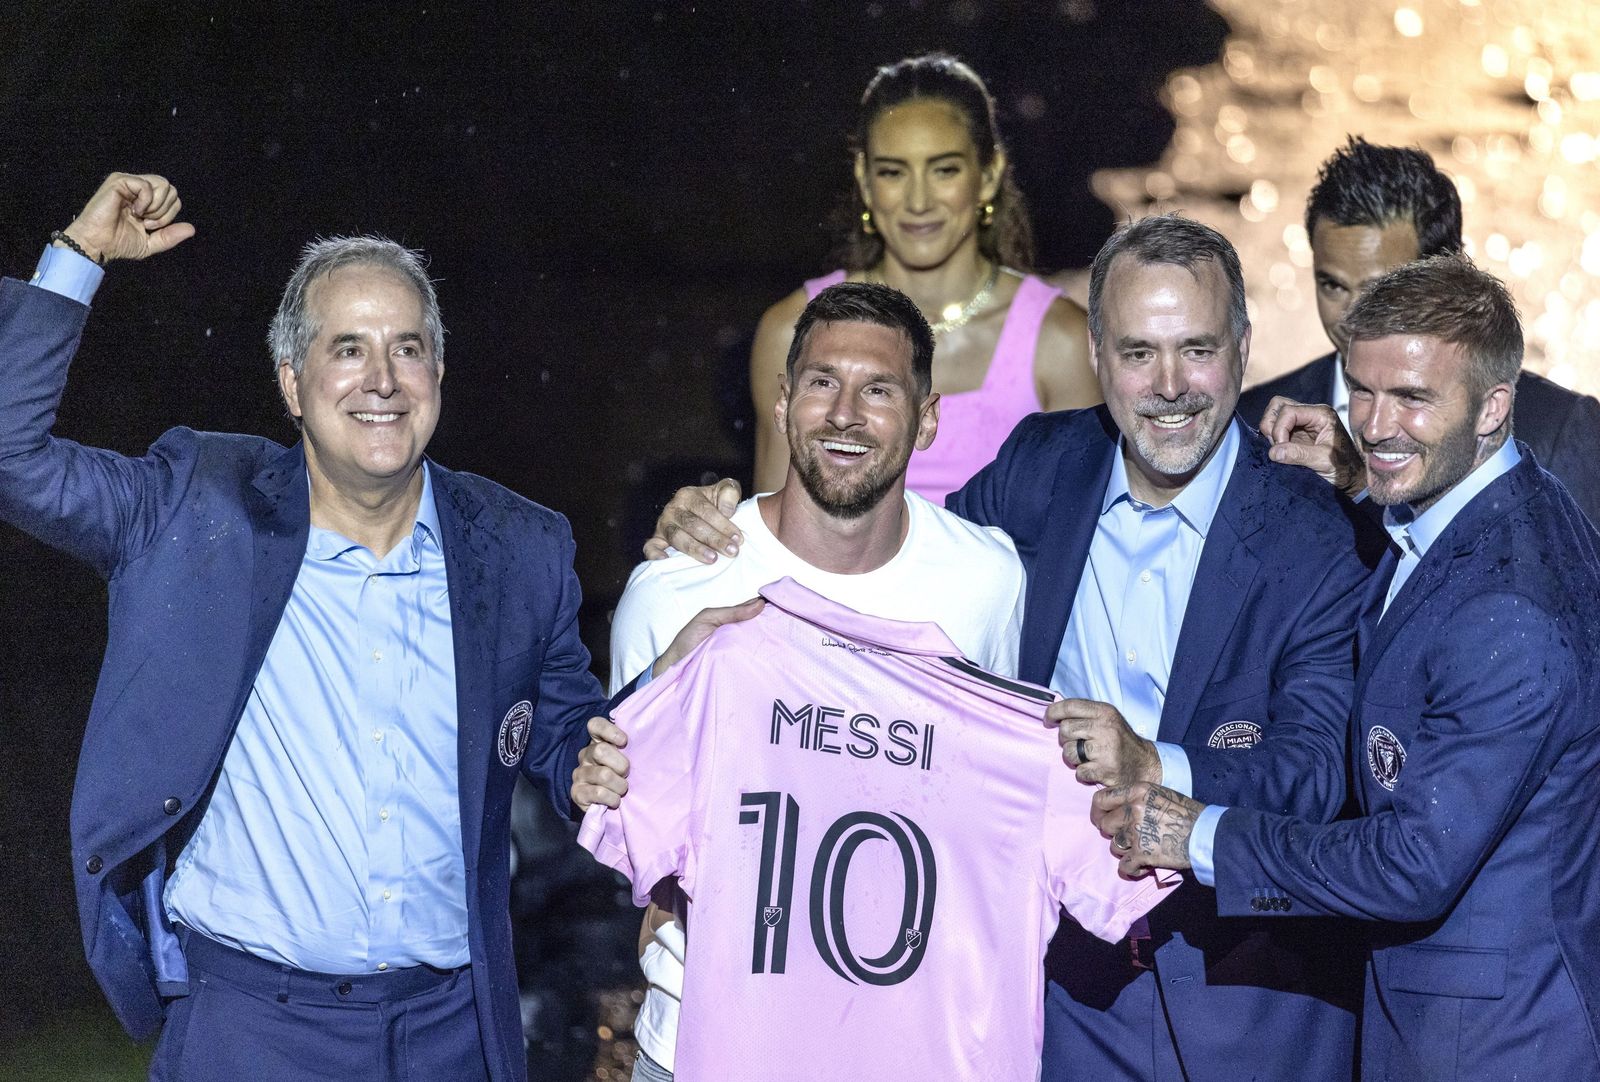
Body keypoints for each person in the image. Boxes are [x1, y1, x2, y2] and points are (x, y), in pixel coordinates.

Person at [634, 214, 1383, 1082]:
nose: (1170, 385)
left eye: (1198, 350)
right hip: (1066, 998)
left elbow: (1318, 774)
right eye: (1139, 352)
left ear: (1244, 348)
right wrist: (732, 531)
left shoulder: (1316, 530)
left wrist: (1157, 766)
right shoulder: (1040, 468)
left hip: (1248, 999)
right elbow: (882, 565)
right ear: (1096, 354)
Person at [0, 173, 656, 1082]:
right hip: (251, 1029)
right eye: (346, 349)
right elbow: (12, 455)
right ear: (291, 384)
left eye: (407, 348)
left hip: (451, 1028)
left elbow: (559, 731)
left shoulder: (520, 548)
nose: (382, 380)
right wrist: (77, 260)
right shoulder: (195, 506)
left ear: (437, 374)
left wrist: (588, 762)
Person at [1101, 253, 1600, 1081]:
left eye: (1411, 398)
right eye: (1360, 391)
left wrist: (1200, 835)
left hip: (1492, 1043)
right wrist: (1367, 485)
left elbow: (1411, 867)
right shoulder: (1509, 508)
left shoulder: (1509, 614)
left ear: (1494, 407)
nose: (1374, 424)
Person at [607, 281, 1026, 1081]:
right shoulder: (675, 592)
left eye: (879, 390)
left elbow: (979, 812)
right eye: (823, 383)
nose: (844, 414)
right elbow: (628, 847)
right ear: (782, 399)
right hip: (700, 1052)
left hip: (905, 1053)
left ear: (929, 418)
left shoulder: (989, 582)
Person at [748, 52, 1099, 505]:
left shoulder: (1060, 340)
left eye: (944, 170)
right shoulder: (792, 331)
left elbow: (1081, 540)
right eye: (894, 172)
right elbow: (769, 540)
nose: (918, 201)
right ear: (866, 179)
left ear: (988, 175)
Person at [1239, 135, 1600, 523]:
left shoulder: (1557, 430)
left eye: (1381, 289)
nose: (1351, 317)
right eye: (1332, 285)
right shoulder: (1252, 421)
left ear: (1449, 274)